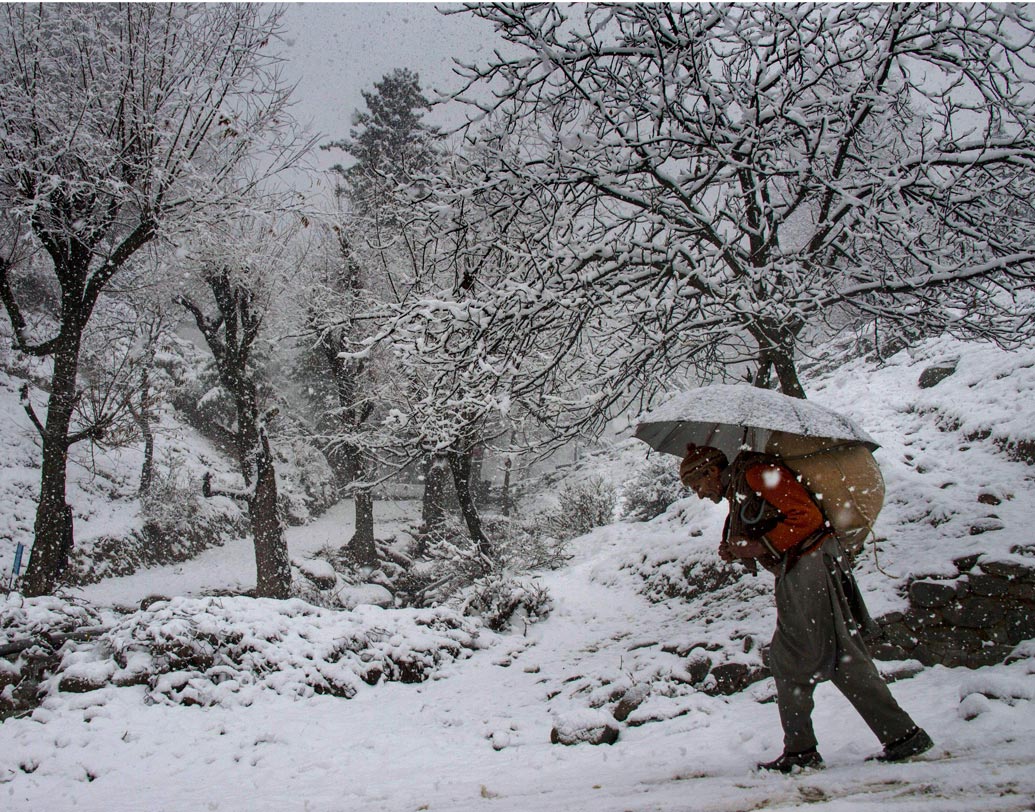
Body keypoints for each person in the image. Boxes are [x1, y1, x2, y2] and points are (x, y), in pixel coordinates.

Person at [679, 443, 933, 772]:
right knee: (822, 657)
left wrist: (756, 545)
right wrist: (741, 549)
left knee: (807, 659)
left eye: (697, 485)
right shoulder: (743, 484)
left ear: (711, 472)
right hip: (805, 568)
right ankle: (892, 736)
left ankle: (809, 750)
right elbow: (766, 523)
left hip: (808, 566)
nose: (699, 494)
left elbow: (807, 517)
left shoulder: (757, 473)